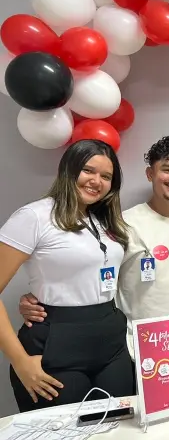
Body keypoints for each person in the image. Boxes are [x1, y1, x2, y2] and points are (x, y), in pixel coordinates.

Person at [19, 136, 169, 358]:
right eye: (167, 169)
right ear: (150, 173)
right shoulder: (121, 224)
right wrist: (40, 300)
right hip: (136, 344)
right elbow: (88, 274)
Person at [0, 139, 133, 411]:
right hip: (56, 342)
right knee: (64, 435)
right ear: (68, 170)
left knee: (119, 428)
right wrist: (20, 361)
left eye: (106, 176)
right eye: (88, 170)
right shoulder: (34, 216)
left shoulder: (103, 220)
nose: (96, 181)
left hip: (110, 341)